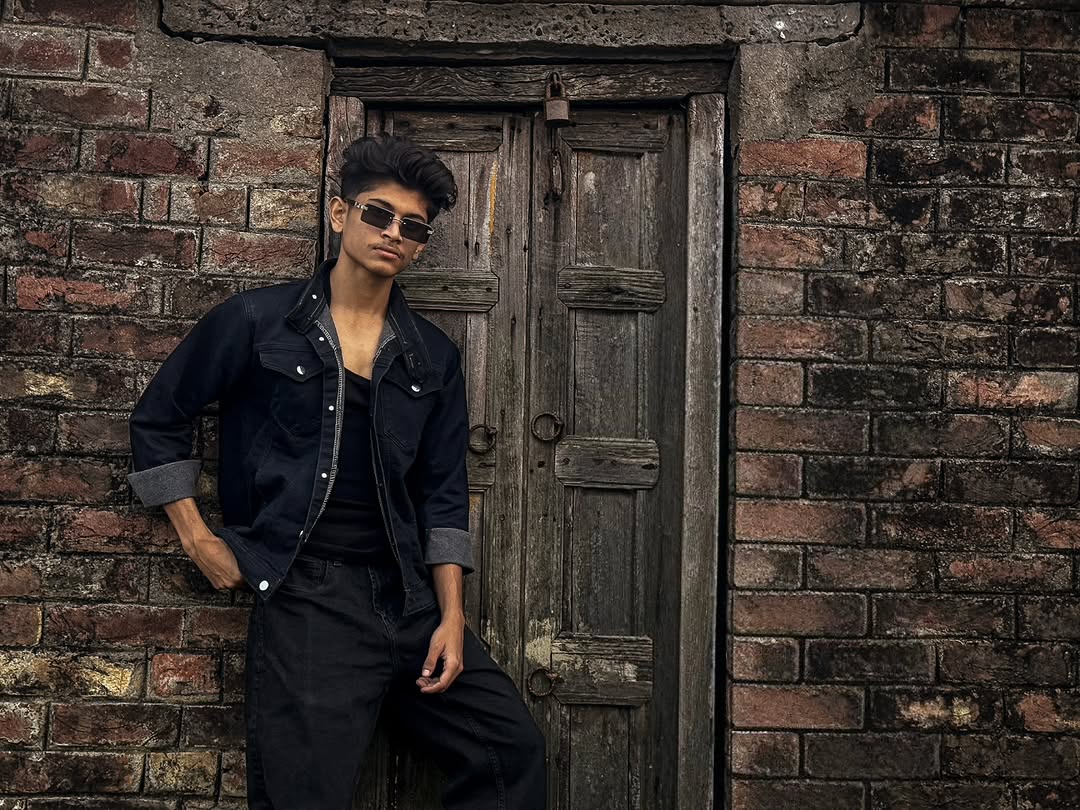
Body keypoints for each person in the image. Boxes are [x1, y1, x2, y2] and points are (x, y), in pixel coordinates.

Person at [126, 133, 547, 809]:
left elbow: (442, 494)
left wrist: (451, 617)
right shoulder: (258, 321)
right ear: (340, 213)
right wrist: (197, 537)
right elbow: (159, 417)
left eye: (413, 227)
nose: (394, 233)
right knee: (305, 796)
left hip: (408, 597)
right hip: (309, 598)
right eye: (379, 214)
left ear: (420, 246)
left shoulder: (432, 357)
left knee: (510, 750)